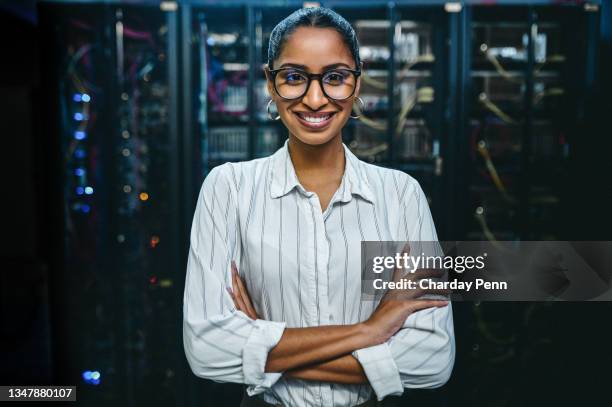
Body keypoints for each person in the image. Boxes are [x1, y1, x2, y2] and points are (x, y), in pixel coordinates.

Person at [182, 7, 455, 407]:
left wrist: (261, 339)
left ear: (356, 82)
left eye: (335, 77)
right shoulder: (229, 189)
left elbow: (431, 359)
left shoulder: (401, 195)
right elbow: (207, 349)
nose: (314, 98)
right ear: (270, 84)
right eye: (293, 77)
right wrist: (370, 330)